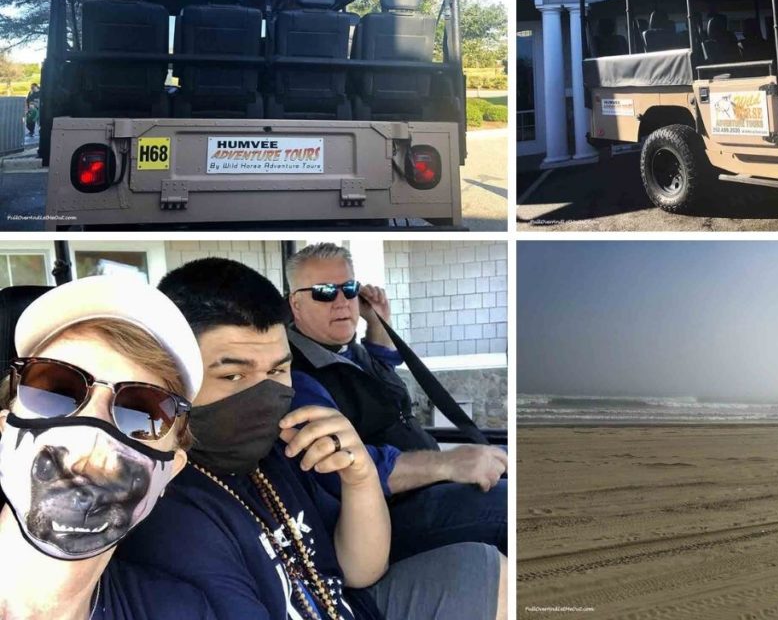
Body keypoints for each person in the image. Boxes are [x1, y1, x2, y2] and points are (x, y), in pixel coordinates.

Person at [119, 258, 506, 620]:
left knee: (487, 567)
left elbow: (360, 571)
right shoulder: (174, 517)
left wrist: (361, 478)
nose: (264, 395)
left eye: (277, 370)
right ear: (171, 377)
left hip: (346, 603)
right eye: (233, 376)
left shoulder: (280, 451)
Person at [0, 276, 215, 619]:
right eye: (54, 389)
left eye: (144, 410)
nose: (89, 444)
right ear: (4, 429)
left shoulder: (179, 611)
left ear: (171, 470)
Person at [286, 242, 508, 561]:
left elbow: (383, 372)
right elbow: (339, 465)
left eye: (349, 289)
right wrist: (447, 463)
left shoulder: (344, 351)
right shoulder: (298, 374)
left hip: (426, 487)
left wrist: (377, 322)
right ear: (296, 303)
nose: (342, 302)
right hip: (384, 517)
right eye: (324, 292)